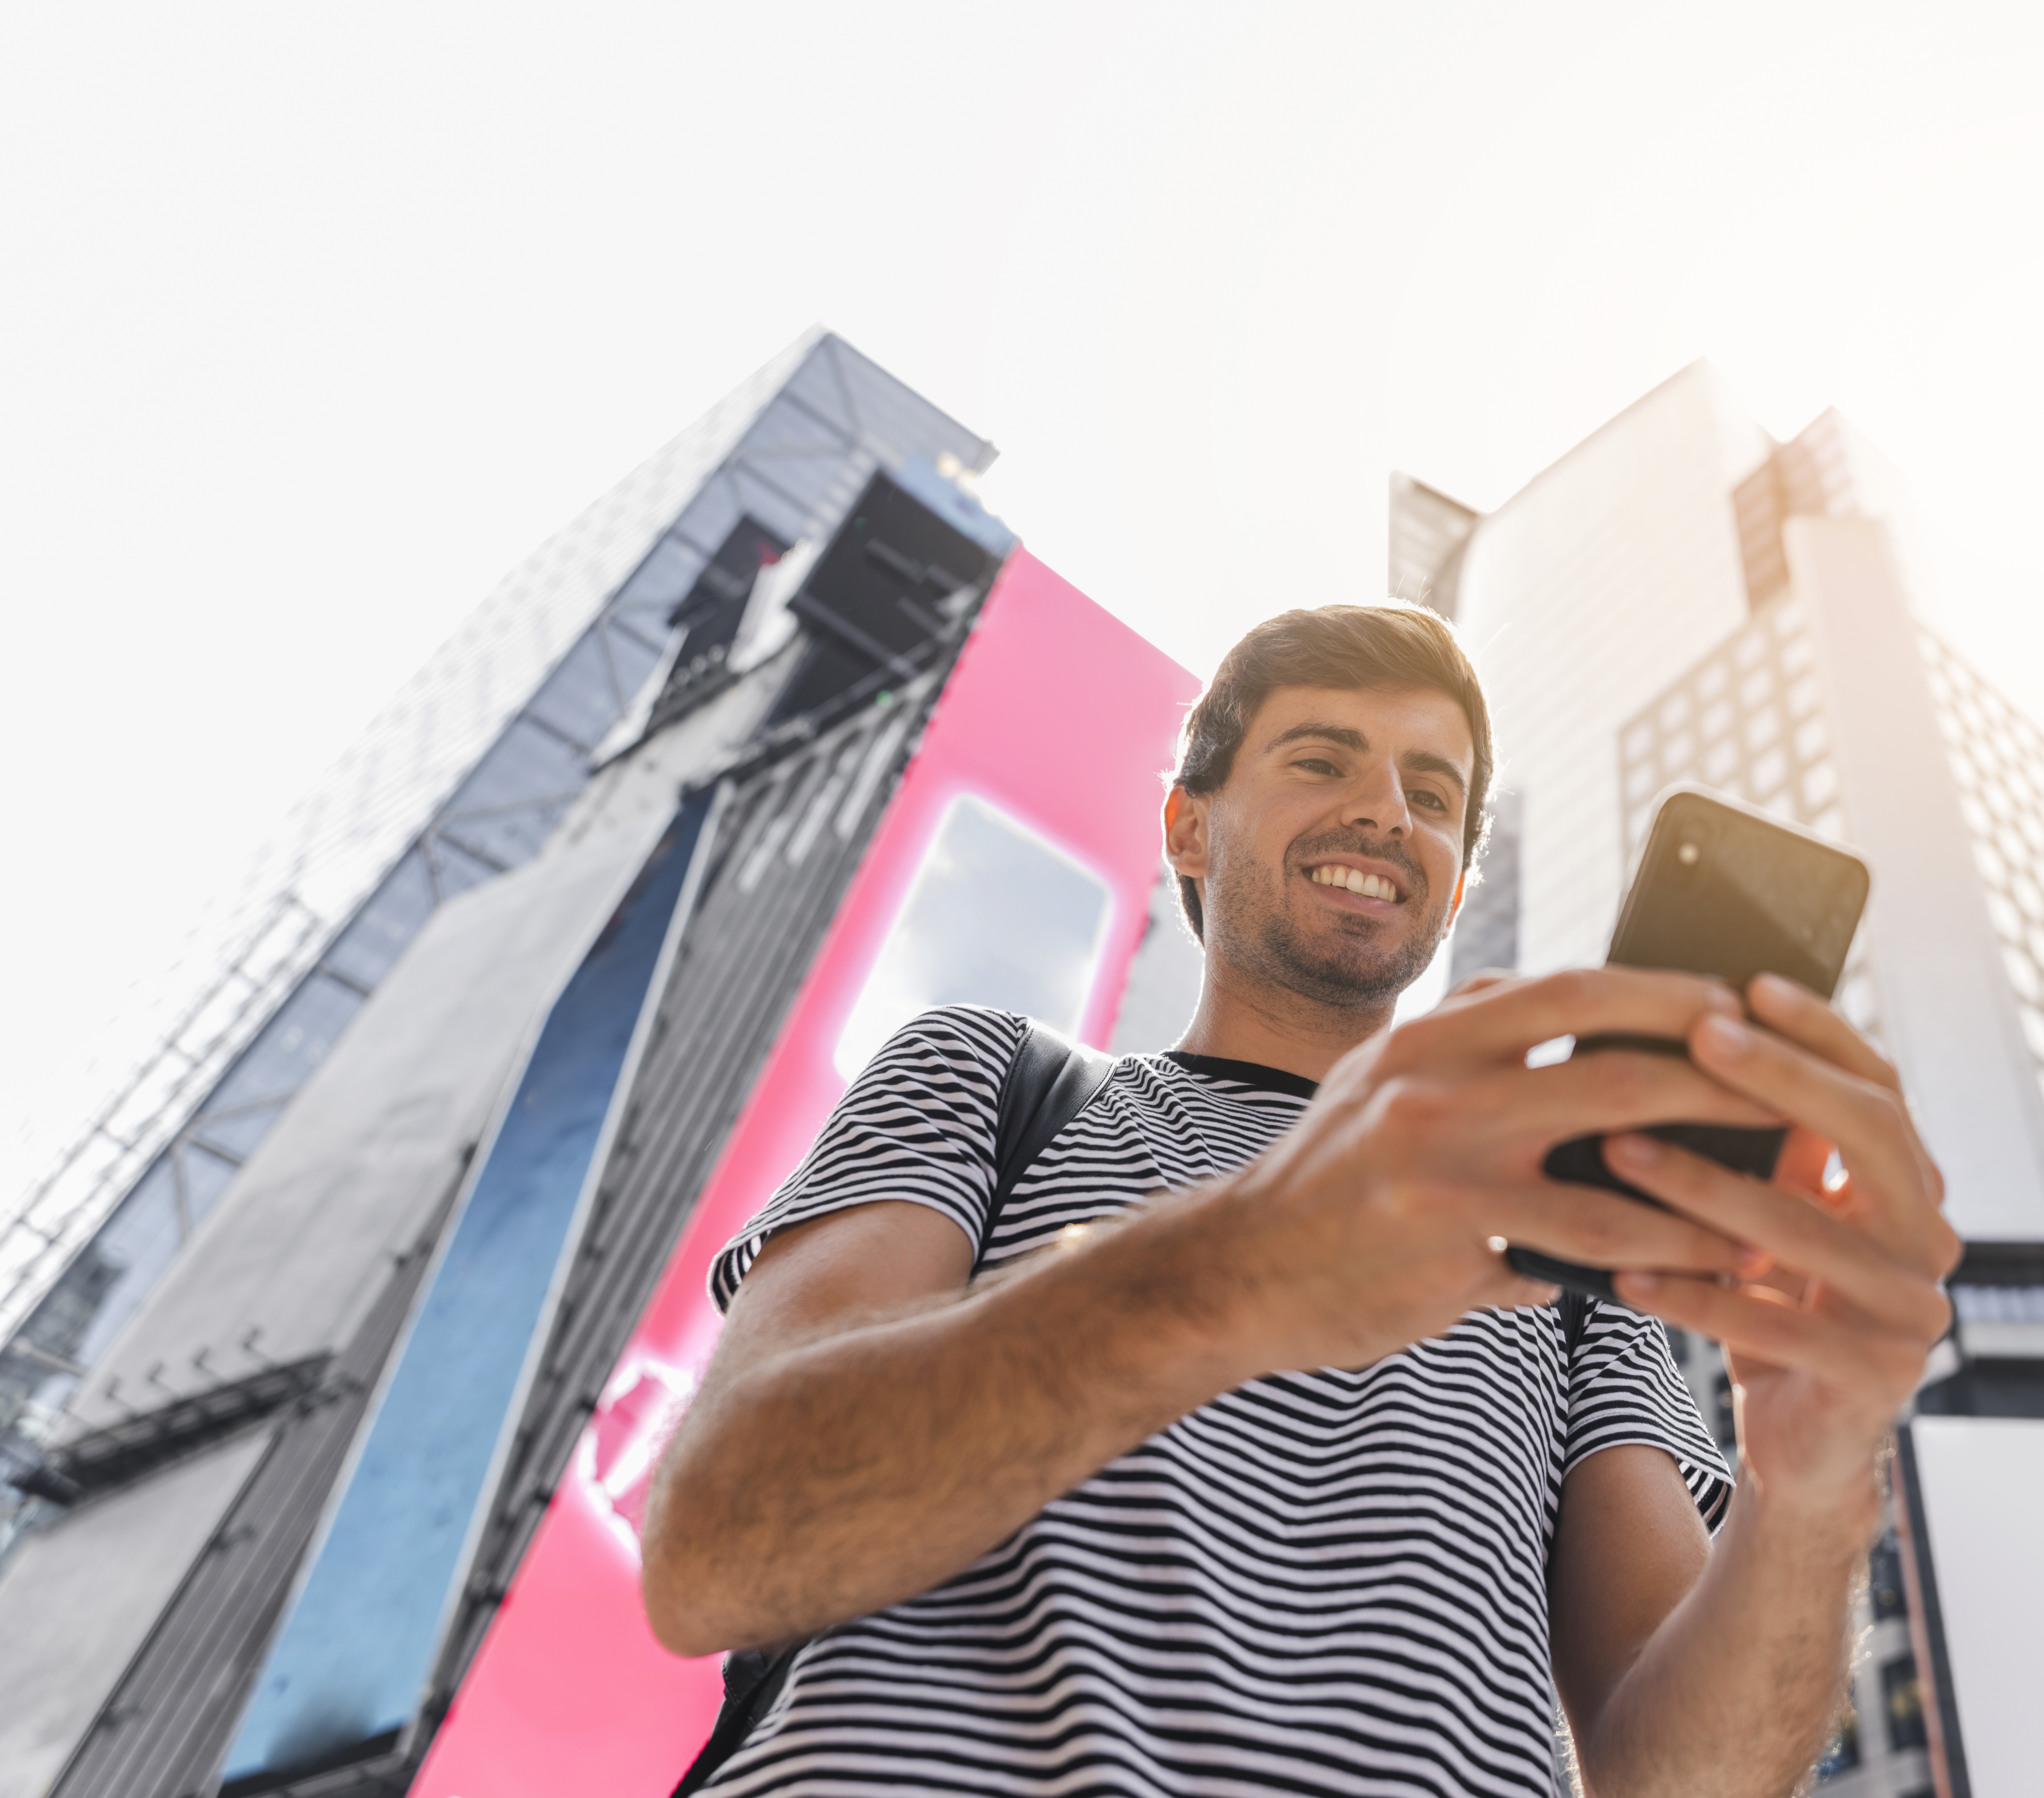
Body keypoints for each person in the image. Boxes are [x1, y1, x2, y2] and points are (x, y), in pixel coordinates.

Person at [642, 603, 1960, 1797]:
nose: (1387, 811)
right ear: (1189, 825)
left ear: (1451, 879)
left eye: (1431, 794)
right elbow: (718, 1544)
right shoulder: (993, 1081)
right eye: (1323, 760)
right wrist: (1241, 1271)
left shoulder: (1571, 1270)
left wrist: (1815, 1486)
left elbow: (1683, 1785)